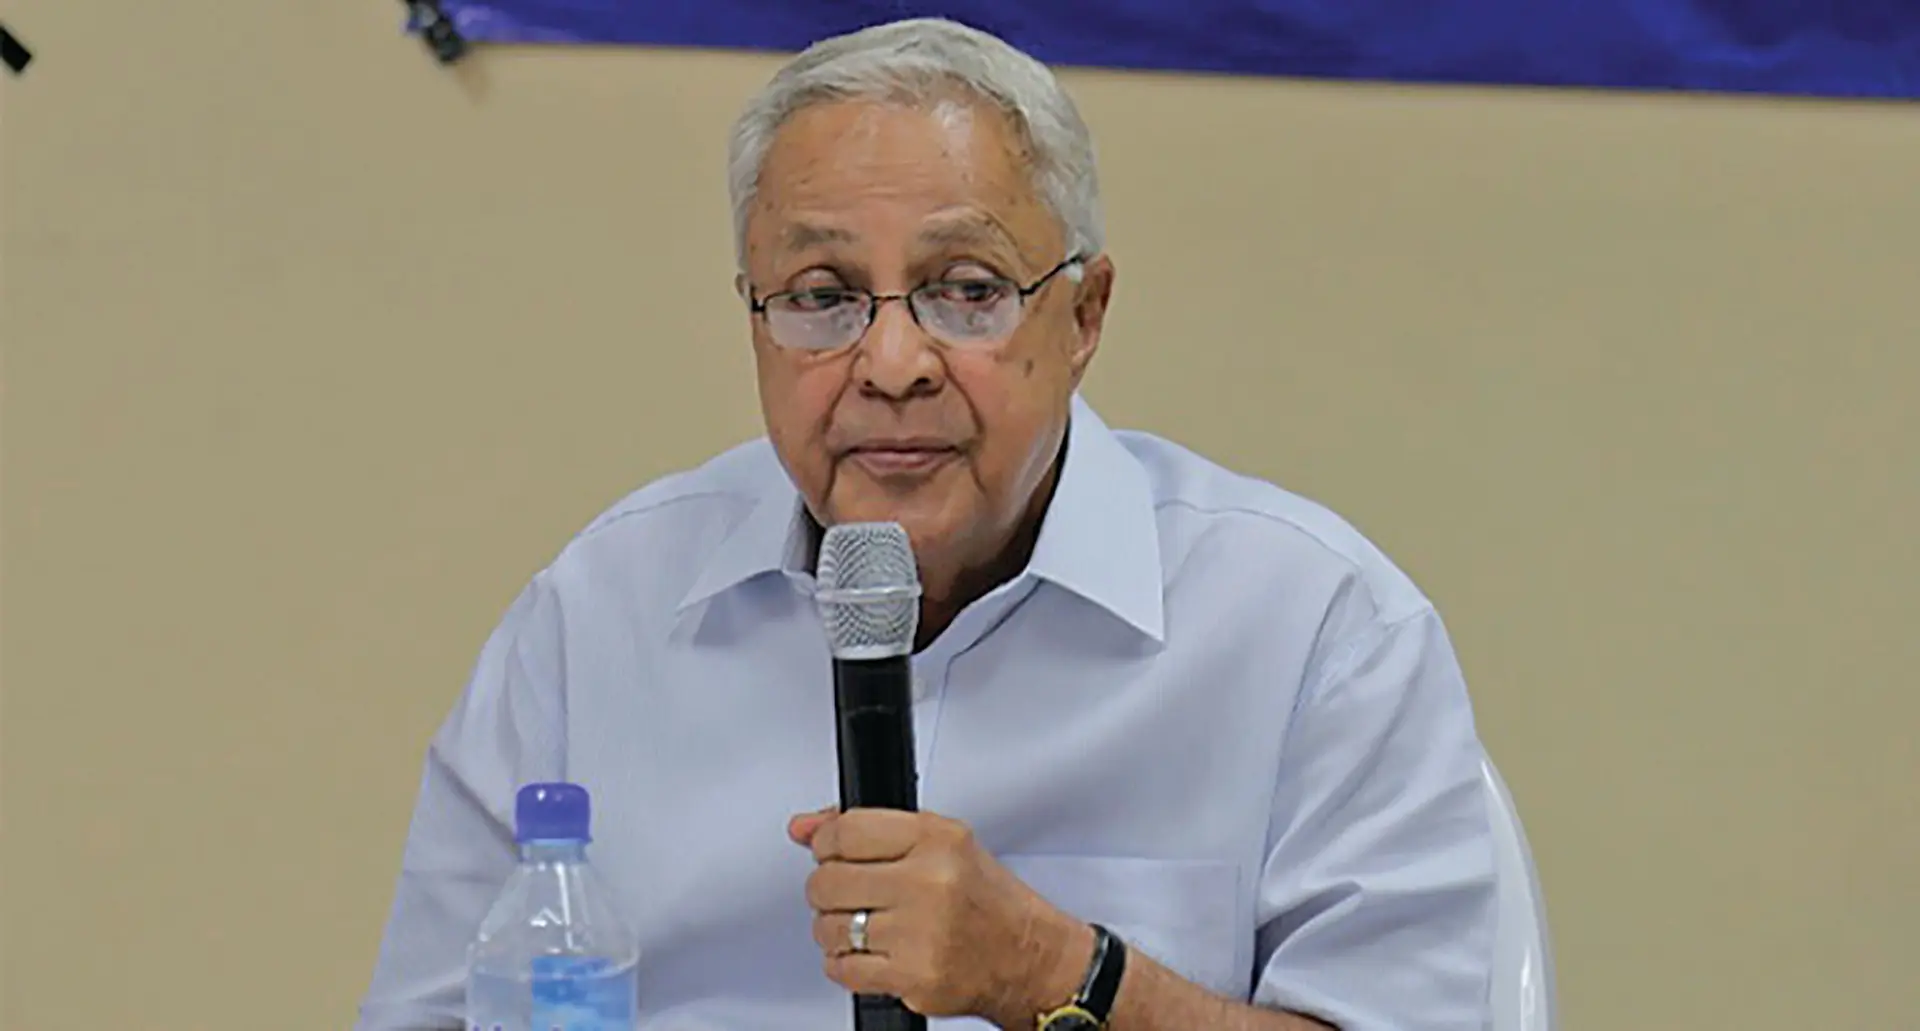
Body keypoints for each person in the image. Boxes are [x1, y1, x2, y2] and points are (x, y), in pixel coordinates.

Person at [355, 16, 1496, 1031]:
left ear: (1085, 312)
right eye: (821, 298)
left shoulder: (1315, 628)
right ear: (754, 316)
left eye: (966, 288)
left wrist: (1059, 971)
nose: (892, 363)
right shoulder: (598, 614)